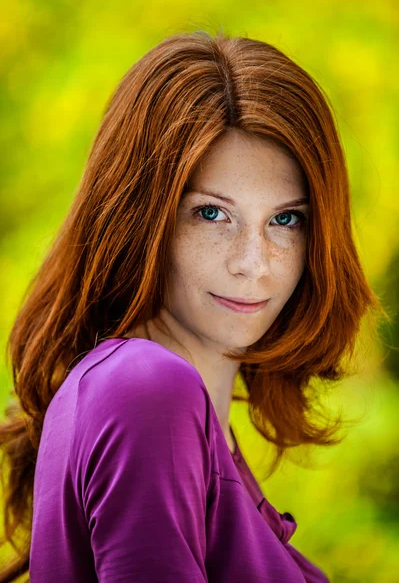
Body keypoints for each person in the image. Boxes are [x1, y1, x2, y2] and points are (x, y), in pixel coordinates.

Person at [0, 29, 387, 582]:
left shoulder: (185, 425)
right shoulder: (144, 388)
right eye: (212, 214)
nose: (253, 263)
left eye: (286, 219)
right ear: (140, 216)